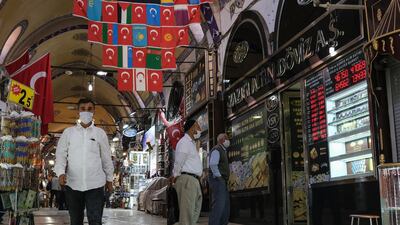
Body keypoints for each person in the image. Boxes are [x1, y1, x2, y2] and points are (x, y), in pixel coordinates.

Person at [55, 98, 114, 225]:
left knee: (95, 221)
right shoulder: (68, 133)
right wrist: (60, 173)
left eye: (89, 109)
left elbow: (106, 158)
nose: (86, 112)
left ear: (94, 111)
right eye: (82, 109)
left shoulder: (100, 133)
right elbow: (61, 155)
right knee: (75, 221)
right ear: (78, 111)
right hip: (73, 184)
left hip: (96, 185)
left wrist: (109, 179)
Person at [171, 119, 203, 225]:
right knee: (187, 215)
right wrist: (175, 175)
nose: (200, 129)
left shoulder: (191, 144)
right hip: (187, 181)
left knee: (194, 211)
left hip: (194, 180)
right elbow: (179, 161)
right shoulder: (184, 142)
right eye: (198, 127)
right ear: (192, 127)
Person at [208, 133, 231, 225]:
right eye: (226, 138)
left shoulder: (223, 150)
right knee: (219, 206)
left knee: (225, 206)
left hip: (222, 181)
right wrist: (219, 177)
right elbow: (213, 164)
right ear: (221, 140)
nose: (228, 140)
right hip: (218, 181)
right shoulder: (217, 149)